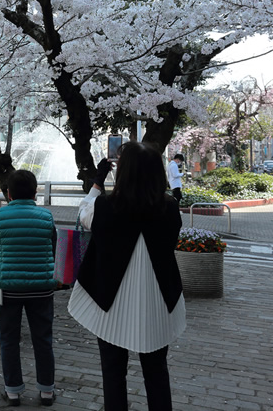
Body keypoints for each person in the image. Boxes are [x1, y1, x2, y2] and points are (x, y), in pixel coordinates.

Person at [68, 144, 186, 410]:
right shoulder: (169, 209)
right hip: (158, 303)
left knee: (113, 373)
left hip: (111, 303)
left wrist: (97, 183)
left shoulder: (107, 207)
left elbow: (84, 214)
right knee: (157, 373)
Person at [0, 169, 57, 407]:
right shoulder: (46, 217)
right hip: (41, 289)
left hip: (4, 288)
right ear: (35, 193)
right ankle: (47, 391)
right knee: (43, 339)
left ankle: (13, 391)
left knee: (8, 339)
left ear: (8, 193)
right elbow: (53, 247)